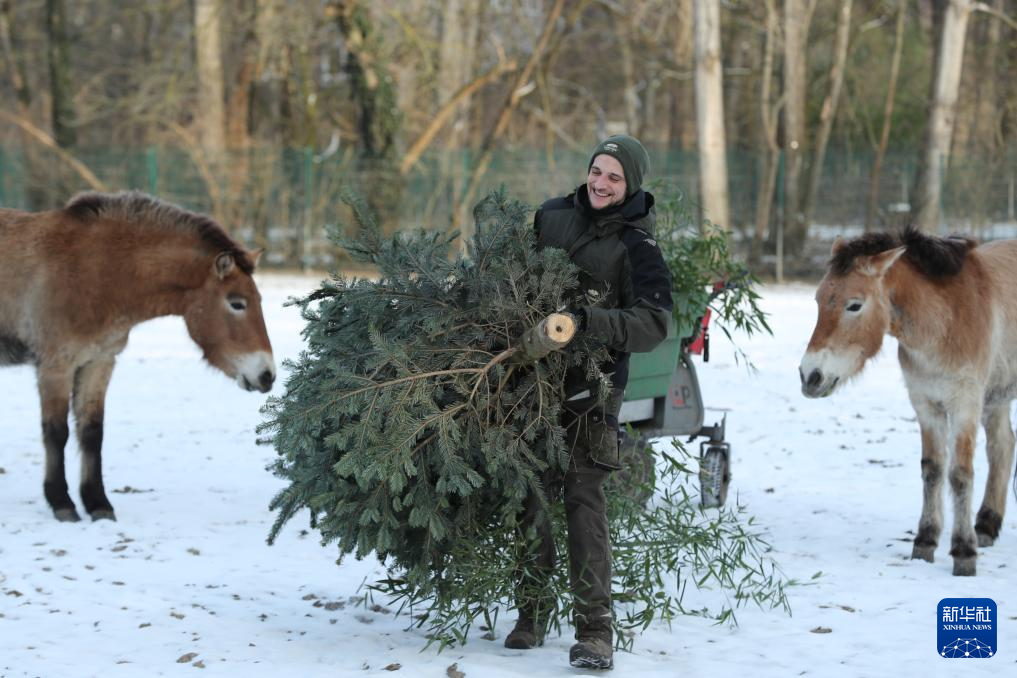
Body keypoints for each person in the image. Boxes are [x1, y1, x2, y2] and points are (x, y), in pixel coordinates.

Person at [505, 134, 673, 670]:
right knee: (529, 496)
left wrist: (587, 322)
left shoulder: (638, 246)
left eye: (614, 177)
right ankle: (532, 611)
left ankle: (595, 631)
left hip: (593, 389)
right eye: (597, 170)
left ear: (631, 186)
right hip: (533, 383)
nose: (601, 183)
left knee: (583, 502)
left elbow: (653, 324)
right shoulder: (550, 216)